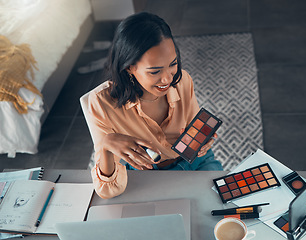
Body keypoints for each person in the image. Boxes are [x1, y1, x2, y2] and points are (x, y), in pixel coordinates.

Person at [87, 12, 223, 199]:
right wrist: (105, 146)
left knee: (218, 203)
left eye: (172, 64)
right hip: (143, 172)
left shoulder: (183, 81)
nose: (168, 78)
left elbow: (194, 126)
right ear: (129, 67)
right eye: (155, 71)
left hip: (194, 162)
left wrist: (202, 140)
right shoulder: (101, 104)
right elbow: (108, 191)